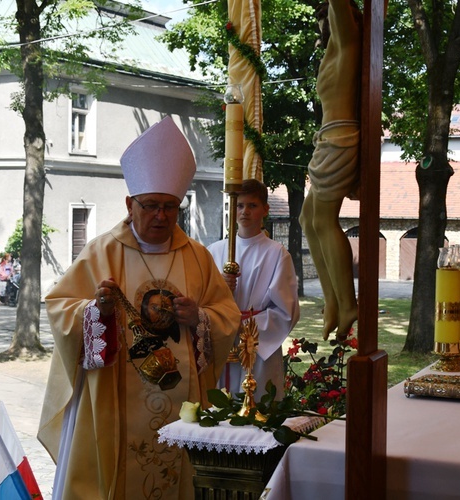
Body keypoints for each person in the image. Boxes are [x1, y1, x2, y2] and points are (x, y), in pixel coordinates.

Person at [38, 116, 241, 500]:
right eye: (151, 206)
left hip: (183, 402)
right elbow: (60, 307)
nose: (161, 216)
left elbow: (226, 315)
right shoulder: (103, 250)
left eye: (170, 207)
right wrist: (96, 312)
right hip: (115, 400)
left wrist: (198, 317)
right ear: (130, 204)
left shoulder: (196, 256)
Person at [300, 0, 362, 340]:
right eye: (319, 17)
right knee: (306, 220)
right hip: (327, 140)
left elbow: (340, 10)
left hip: (339, 139)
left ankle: (348, 303)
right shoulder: (332, 55)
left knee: (324, 221)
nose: (323, 21)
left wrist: (337, 9)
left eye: (327, 15)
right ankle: (332, 301)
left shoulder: (348, 45)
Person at [208, 179, 300, 398]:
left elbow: (286, 311)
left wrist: (245, 326)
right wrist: (220, 288)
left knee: (256, 405)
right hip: (221, 342)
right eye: (239, 205)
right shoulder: (215, 250)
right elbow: (202, 298)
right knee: (221, 405)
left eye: (252, 205)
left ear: (265, 210)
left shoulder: (276, 253)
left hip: (256, 345)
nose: (245, 212)